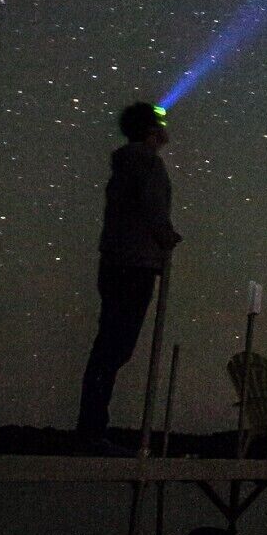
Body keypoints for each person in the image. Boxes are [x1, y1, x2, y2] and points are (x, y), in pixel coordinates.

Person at [76, 100, 180, 448]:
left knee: (108, 344)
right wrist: (167, 238)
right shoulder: (146, 162)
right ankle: (92, 432)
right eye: (160, 123)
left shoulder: (124, 164)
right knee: (115, 346)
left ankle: (91, 427)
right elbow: (151, 208)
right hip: (135, 263)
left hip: (116, 261)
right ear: (151, 131)